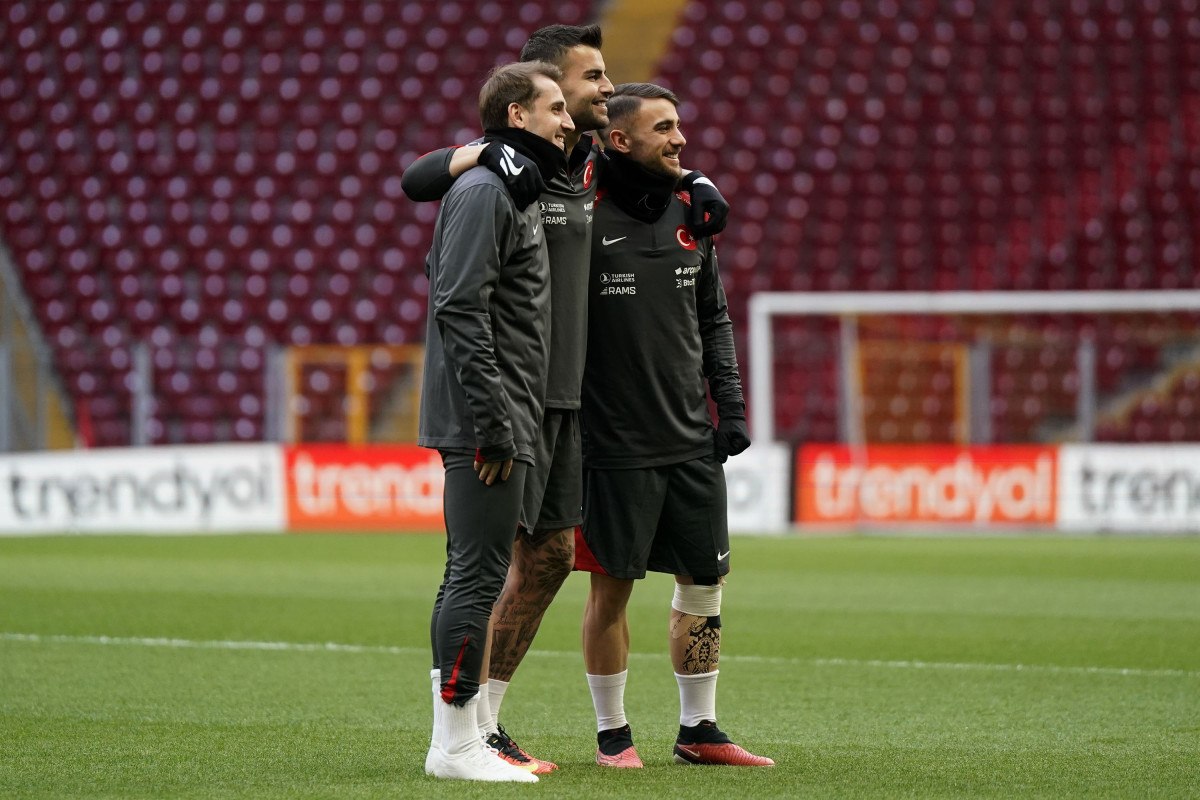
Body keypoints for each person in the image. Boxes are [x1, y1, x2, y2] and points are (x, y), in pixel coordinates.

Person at [403, 24, 730, 774]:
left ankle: (480, 726)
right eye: (591, 79)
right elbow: (419, 183)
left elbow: (649, 155)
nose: (606, 89)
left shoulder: (585, 161)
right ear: (542, 90)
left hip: (560, 400)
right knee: (485, 567)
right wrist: (484, 151)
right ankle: (462, 733)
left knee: (549, 557)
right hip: (506, 397)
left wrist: (694, 180)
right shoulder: (504, 170)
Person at [574, 82, 773, 768]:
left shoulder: (693, 213)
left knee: (704, 583)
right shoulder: (583, 213)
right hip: (613, 443)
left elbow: (713, 319)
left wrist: (731, 407)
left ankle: (699, 730)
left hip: (691, 437)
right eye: (663, 128)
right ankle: (612, 734)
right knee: (612, 589)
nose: (680, 138)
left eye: (679, 126)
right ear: (620, 138)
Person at [419, 59, 572, 783]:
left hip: (506, 409)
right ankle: (454, 747)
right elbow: (458, 304)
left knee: (474, 572)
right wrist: (493, 420)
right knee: (476, 575)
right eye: (555, 108)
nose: (567, 121)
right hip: (490, 416)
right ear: (517, 115)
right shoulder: (484, 190)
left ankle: (463, 738)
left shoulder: (512, 188)